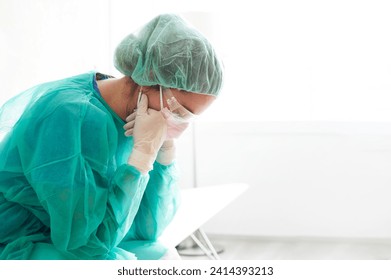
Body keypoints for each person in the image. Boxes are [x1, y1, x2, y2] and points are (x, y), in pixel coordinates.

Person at [0, 13, 223, 260]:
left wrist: (161, 151)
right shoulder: (71, 116)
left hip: (69, 237)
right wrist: (141, 157)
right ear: (150, 81)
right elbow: (86, 245)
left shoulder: (135, 117)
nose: (177, 121)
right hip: (17, 239)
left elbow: (146, 230)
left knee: (162, 255)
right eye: (180, 111)